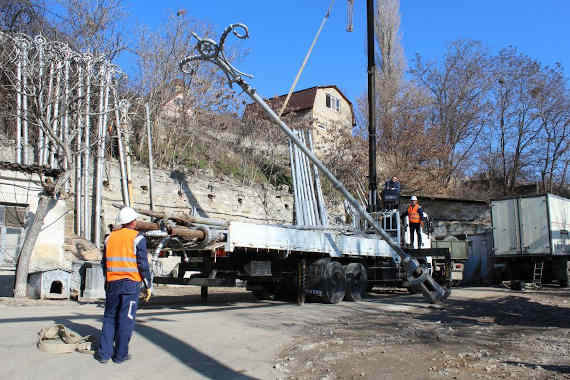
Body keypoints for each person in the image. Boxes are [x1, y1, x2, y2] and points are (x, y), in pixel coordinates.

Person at [95, 207, 152, 364]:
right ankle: (120, 356)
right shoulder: (137, 238)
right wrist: (148, 285)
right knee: (126, 320)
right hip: (130, 285)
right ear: (133, 221)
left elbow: (104, 264)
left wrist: (108, 281)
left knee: (109, 318)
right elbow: (143, 264)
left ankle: (104, 354)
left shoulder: (109, 238)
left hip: (112, 283)